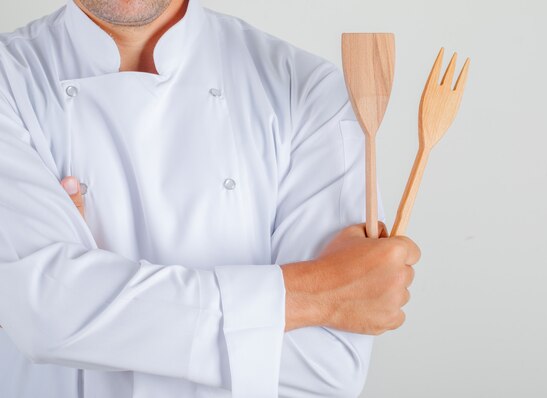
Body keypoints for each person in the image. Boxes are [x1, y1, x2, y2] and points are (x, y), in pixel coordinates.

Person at [0, 0, 421, 396]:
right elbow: (46, 314)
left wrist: (91, 311)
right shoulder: (8, 78)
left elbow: (330, 364)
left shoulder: (305, 90)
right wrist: (319, 294)